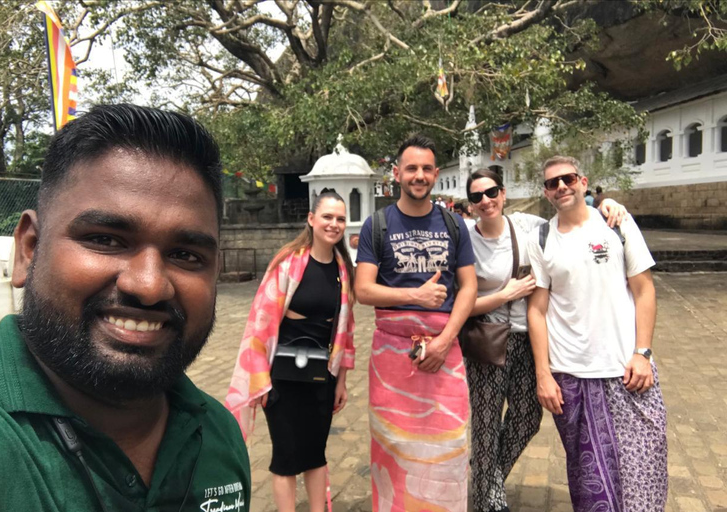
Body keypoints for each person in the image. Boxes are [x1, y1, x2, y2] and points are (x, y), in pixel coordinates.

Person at [0, 104, 250, 511]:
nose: (149, 286)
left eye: (185, 255)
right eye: (106, 240)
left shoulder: (218, 436)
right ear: (28, 250)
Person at [464, 169, 627, 512]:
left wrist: (606, 204)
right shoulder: (465, 237)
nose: (485, 201)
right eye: (476, 197)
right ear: (470, 204)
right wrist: (503, 294)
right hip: (487, 341)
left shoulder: (525, 227)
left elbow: (570, 212)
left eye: (491, 192)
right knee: (487, 423)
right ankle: (487, 498)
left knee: (526, 420)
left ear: (503, 193)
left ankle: (486, 475)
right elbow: (460, 303)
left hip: (525, 340)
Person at [527, 156, 667, 512]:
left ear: (583, 182)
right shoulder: (541, 238)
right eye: (552, 183)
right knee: (590, 482)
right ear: (546, 193)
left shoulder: (617, 224)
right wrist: (543, 374)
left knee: (646, 464)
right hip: (571, 373)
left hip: (626, 368)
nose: (561, 186)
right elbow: (537, 309)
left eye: (568, 178)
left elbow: (644, 290)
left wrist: (644, 352)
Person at [355, 134, 477, 512]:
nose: (419, 175)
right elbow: (364, 289)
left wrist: (444, 341)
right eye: (411, 168)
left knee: (448, 449)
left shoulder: (455, 225)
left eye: (426, 168)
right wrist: (415, 297)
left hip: (447, 352)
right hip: (393, 360)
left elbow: (469, 287)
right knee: (394, 447)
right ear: (397, 173)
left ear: (436, 174)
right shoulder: (376, 225)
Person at [226, 191, 356, 512]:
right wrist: (260, 381)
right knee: (285, 457)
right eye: (327, 217)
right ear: (311, 220)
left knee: (316, 453)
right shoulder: (288, 262)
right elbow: (260, 325)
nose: (334, 224)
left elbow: (346, 331)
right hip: (281, 377)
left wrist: (340, 382)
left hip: (321, 376)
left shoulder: (343, 269)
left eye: (340, 218)